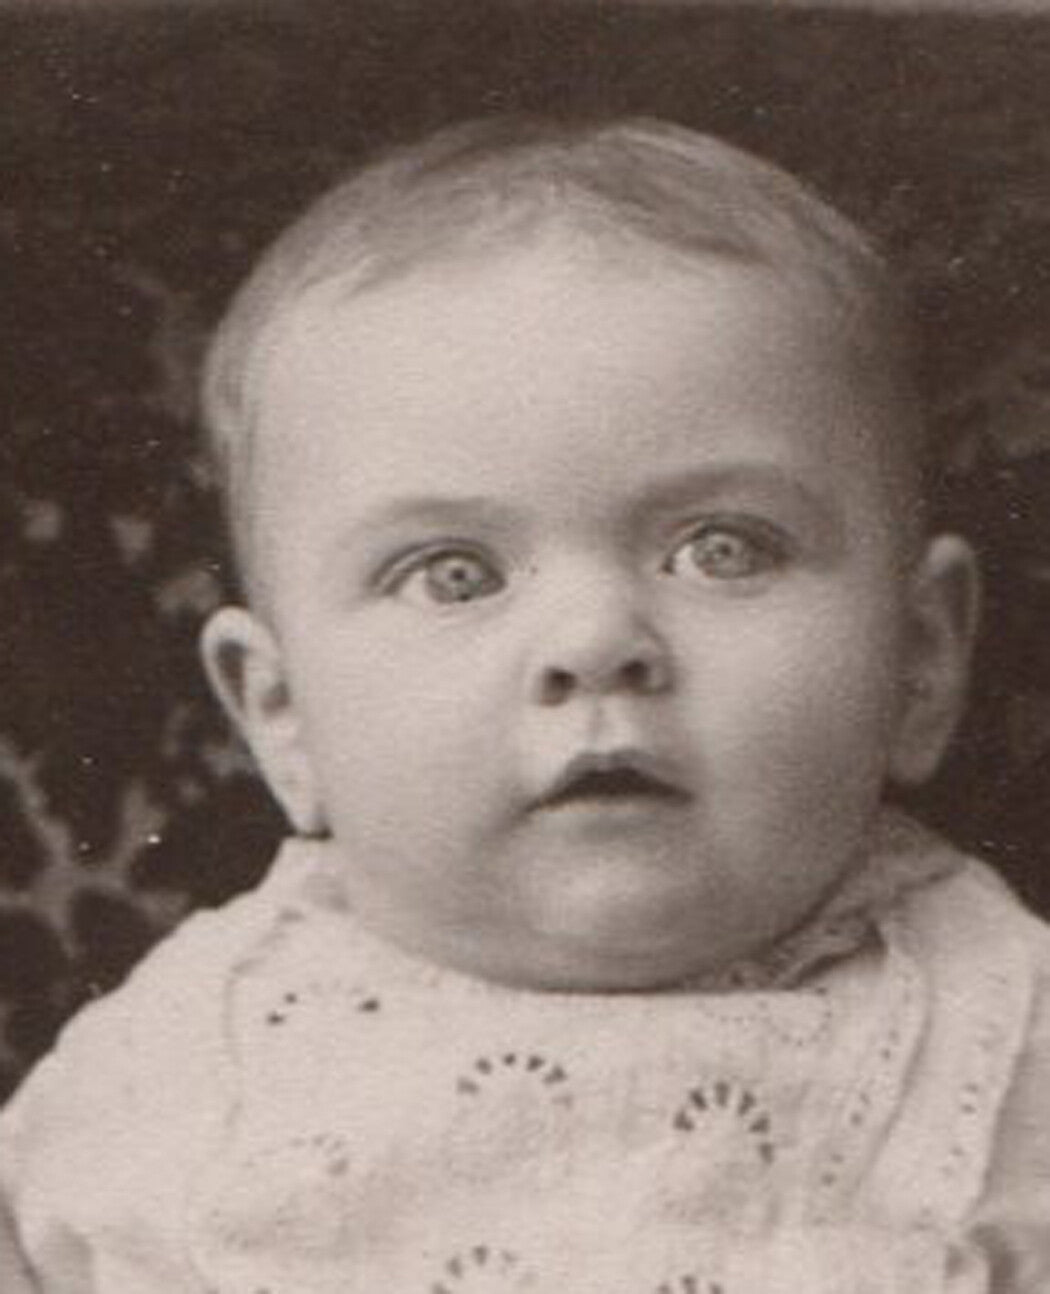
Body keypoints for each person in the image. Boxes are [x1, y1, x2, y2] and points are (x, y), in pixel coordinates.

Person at [1, 115, 1048, 1294]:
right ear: (280, 715)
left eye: (722, 548)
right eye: (453, 573)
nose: (595, 642)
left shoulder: (1005, 1047)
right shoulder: (164, 1081)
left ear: (919, 661)